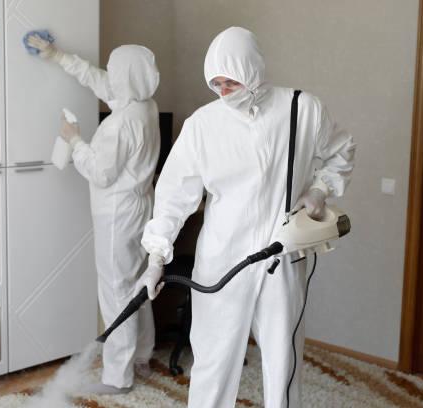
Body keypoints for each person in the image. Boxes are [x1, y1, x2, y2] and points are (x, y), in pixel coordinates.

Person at [135, 27, 356, 407]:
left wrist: (319, 191)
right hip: (222, 260)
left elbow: (341, 150)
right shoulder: (203, 126)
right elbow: (173, 196)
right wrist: (156, 257)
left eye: (230, 80)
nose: (223, 90)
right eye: (216, 83)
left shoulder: (302, 109)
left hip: (281, 258)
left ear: (252, 69)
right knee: (214, 361)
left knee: (282, 361)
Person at [26, 35, 161, 394]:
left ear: (125, 78)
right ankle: (142, 356)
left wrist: (74, 140)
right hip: (140, 208)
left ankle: (118, 376)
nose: (110, 77)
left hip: (117, 215)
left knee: (116, 292)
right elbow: (97, 79)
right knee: (137, 285)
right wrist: (56, 55)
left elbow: (101, 173)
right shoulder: (144, 105)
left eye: (116, 72)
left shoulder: (120, 124)